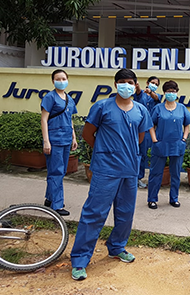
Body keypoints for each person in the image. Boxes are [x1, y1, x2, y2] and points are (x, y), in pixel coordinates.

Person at [70, 68, 153, 281]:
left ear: (135, 85)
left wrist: (125, 154)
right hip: (105, 169)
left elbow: (140, 138)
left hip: (129, 169)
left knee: (125, 213)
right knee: (94, 213)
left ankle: (117, 247)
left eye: (130, 82)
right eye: (122, 81)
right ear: (116, 84)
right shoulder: (102, 107)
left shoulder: (141, 110)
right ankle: (80, 259)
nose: (126, 85)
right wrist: (105, 151)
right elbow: (88, 134)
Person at [147, 80, 190, 209]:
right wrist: (155, 140)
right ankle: (152, 199)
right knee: (156, 173)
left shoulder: (182, 108)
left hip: (177, 145)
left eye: (173, 91)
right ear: (164, 92)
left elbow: (187, 125)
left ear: (177, 92)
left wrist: (183, 139)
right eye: (168, 91)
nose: (170, 93)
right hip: (161, 144)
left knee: (176, 173)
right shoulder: (158, 108)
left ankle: (174, 198)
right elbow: (151, 125)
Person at [40, 69, 78, 216]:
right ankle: (57, 205)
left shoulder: (69, 99)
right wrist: (46, 141)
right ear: (53, 81)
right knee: (56, 171)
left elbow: (70, 120)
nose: (61, 81)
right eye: (58, 79)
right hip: (54, 140)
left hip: (66, 139)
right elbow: (44, 119)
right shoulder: (50, 97)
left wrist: (74, 137)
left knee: (59, 171)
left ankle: (50, 198)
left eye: (63, 78)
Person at [134, 76, 161, 189]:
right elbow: (138, 91)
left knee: (143, 154)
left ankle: (138, 178)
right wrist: (138, 85)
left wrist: (151, 91)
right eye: (152, 82)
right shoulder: (140, 94)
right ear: (147, 82)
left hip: (148, 129)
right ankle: (132, 177)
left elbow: (156, 98)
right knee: (135, 152)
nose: (154, 84)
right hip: (136, 127)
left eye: (156, 84)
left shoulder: (157, 96)